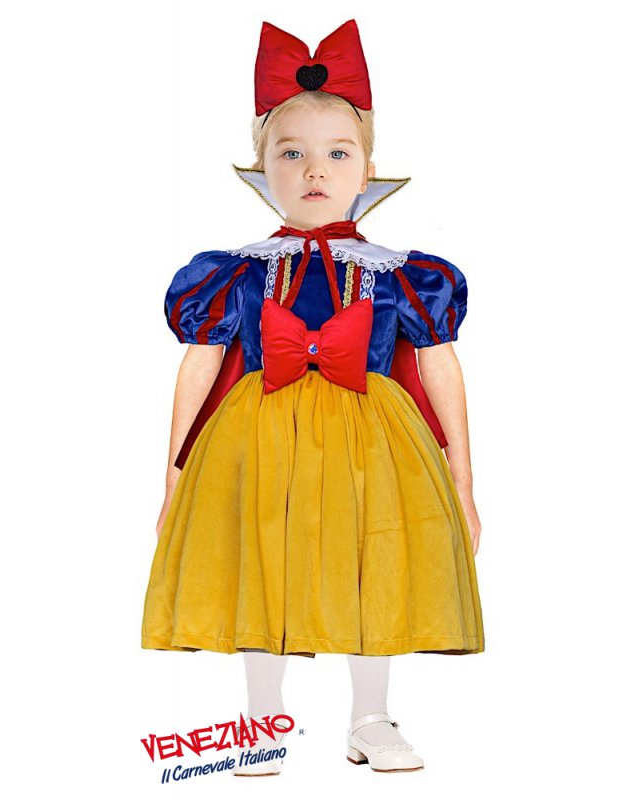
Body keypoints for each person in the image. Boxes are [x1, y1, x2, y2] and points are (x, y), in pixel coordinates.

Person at [141, 19, 485, 775]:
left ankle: (370, 717)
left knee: (374, 559)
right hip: (259, 436)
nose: (314, 170)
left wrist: (462, 481)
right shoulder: (232, 270)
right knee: (264, 560)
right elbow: (200, 366)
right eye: (290, 153)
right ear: (261, 168)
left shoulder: (405, 273)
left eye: (338, 153)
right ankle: (261, 719)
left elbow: (439, 366)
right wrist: (174, 476)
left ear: (368, 170)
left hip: (375, 440)